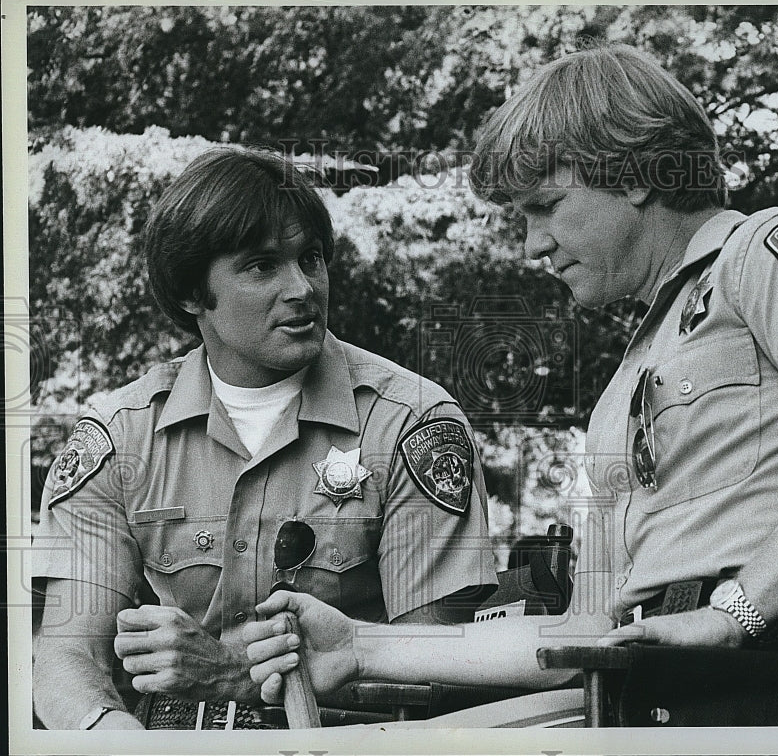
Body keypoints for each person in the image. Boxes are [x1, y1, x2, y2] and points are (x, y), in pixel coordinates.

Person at [243, 44, 778, 722]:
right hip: (644, 683)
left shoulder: (765, 252)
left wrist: (734, 612)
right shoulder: (623, 390)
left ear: (633, 173)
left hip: (765, 680)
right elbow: (584, 630)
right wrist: (362, 645)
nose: (532, 244)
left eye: (544, 205)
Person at [31, 148, 498, 730]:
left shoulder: (413, 426)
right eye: (261, 267)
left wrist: (237, 676)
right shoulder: (121, 435)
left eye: (312, 259)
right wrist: (112, 735)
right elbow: (67, 655)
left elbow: (440, 673)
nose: (303, 287)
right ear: (190, 294)